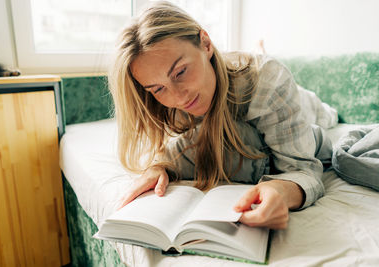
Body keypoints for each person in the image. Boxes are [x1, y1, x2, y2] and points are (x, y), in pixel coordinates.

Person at [110, 1, 335, 229]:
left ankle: (261, 55)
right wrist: (157, 167)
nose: (178, 98)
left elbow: (304, 170)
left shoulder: (270, 82)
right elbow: (166, 149)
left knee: (325, 113)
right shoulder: (167, 104)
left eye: (180, 72)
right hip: (234, 76)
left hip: (305, 104)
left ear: (206, 43)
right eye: (158, 88)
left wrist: (280, 190)